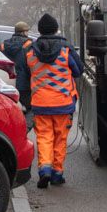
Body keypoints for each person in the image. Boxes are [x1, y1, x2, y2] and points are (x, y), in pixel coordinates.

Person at [20, 13, 83, 188]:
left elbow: (23, 77)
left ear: (39, 30)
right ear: (56, 29)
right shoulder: (66, 49)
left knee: (44, 137)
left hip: (40, 103)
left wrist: (27, 100)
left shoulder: (30, 50)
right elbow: (78, 71)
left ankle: (44, 170)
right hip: (63, 102)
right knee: (60, 138)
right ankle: (57, 173)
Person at [0, 21, 33, 109]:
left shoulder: (4, 44)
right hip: (24, 83)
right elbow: (31, 63)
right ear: (24, 32)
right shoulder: (28, 44)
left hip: (7, 82)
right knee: (29, 108)